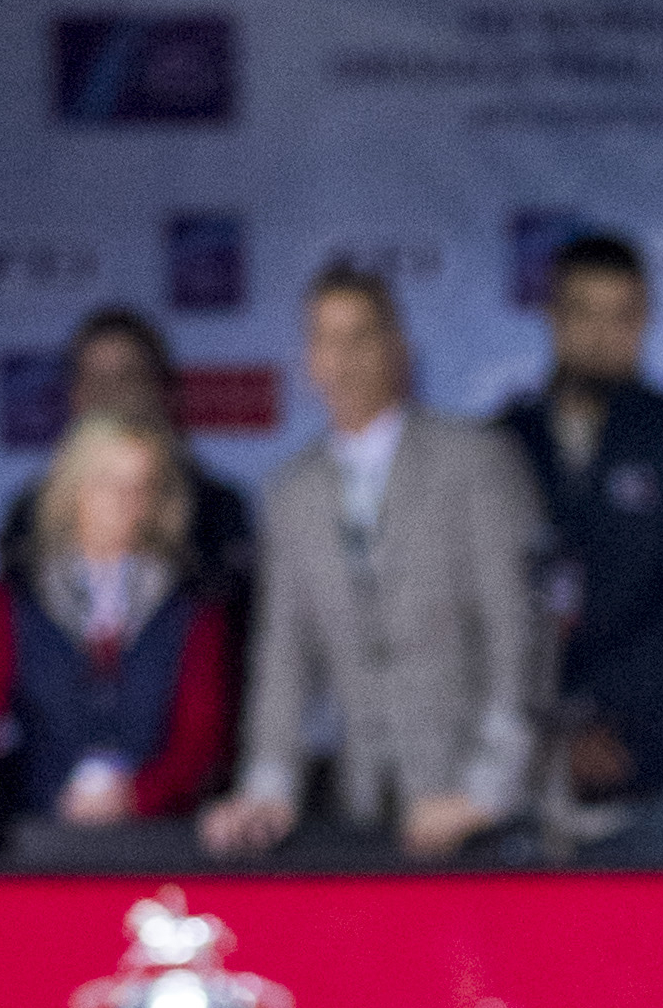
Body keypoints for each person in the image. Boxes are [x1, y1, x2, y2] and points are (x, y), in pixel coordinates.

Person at [202, 264, 544, 862]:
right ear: (308, 359)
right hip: (365, 803)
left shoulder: (475, 462)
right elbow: (282, 655)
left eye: (360, 336)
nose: (344, 359)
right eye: (326, 340)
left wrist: (485, 791)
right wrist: (267, 786)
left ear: (398, 346)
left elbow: (518, 633)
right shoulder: (291, 493)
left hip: (483, 812)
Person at [494, 231, 663, 865]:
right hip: (527, 783)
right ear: (551, 315)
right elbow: (480, 615)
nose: (602, 333)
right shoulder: (502, 442)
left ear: (645, 319)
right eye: (582, 311)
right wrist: (553, 734)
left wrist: (595, 713)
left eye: (621, 314)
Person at [0, 413, 230, 849]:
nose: (125, 501)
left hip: (160, 840)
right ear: (74, 489)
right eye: (108, 482)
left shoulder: (192, 603)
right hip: (38, 836)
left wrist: (133, 797)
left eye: (140, 487)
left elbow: (200, 741)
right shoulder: (16, 594)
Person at [0, 306, 255, 642]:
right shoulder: (28, 518)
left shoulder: (218, 512)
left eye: (127, 376)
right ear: (74, 396)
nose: (110, 394)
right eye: (95, 378)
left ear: (163, 390)